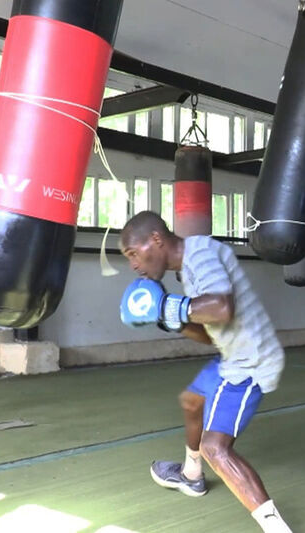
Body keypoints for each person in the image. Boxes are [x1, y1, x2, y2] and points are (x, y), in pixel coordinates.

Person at [119, 211, 291, 533]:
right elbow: (209, 332)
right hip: (231, 356)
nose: (134, 265)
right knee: (192, 401)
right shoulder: (188, 268)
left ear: (156, 239)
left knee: (215, 447)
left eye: (133, 253)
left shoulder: (201, 255)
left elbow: (223, 309)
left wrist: (171, 307)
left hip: (250, 362)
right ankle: (192, 475)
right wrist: (173, 321)